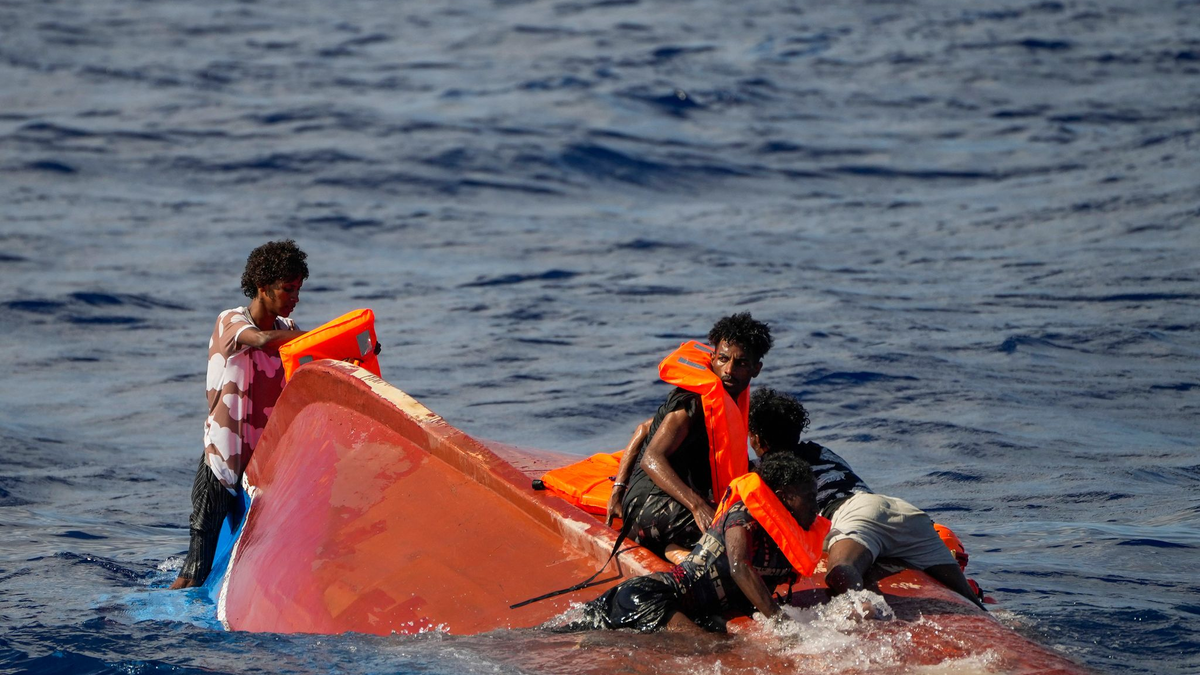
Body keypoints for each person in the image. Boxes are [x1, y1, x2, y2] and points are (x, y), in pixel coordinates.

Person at [746, 387, 985, 610]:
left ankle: (864, 611)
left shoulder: (767, 471)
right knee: (967, 596)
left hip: (854, 514)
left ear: (756, 438)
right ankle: (988, 614)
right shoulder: (820, 450)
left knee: (840, 572)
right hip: (902, 511)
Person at [169, 240, 309, 590]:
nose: (295, 297)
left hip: (258, 471)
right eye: (287, 289)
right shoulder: (230, 321)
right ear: (262, 288)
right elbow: (260, 341)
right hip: (221, 464)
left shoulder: (289, 331)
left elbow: (316, 363)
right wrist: (314, 338)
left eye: (298, 289)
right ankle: (166, 618)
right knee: (195, 567)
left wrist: (355, 350)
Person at [565, 451, 822, 633]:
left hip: (689, 611)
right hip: (652, 598)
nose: (815, 506)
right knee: (707, 649)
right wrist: (781, 625)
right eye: (809, 497)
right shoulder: (742, 517)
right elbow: (739, 567)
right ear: (783, 497)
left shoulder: (783, 536)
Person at [607, 313, 773, 563]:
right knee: (740, 532)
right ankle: (688, 560)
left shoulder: (727, 401)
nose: (729, 370)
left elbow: (644, 429)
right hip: (649, 504)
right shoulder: (692, 402)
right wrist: (619, 491)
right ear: (712, 358)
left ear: (756, 369)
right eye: (723, 359)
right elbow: (651, 458)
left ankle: (672, 550)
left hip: (669, 503)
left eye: (740, 363)